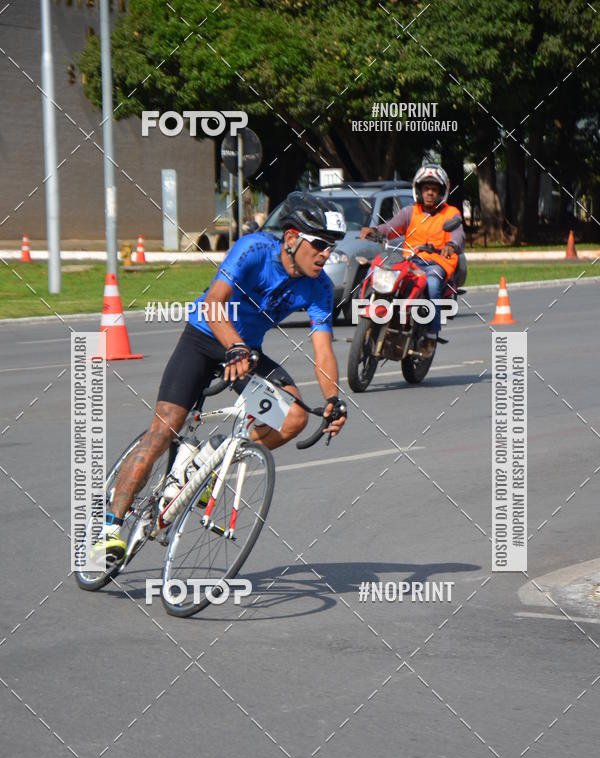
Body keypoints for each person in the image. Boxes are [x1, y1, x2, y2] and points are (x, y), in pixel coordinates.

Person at [93, 192, 348, 566]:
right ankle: (108, 532)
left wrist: (333, 399)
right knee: (164, 431)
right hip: (204, 338)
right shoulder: (253, 250)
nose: (327, 255)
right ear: (292, 238)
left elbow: (323, 351)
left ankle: (208, 460)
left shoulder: (319, 287)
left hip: (247, 353)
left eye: (333, 247)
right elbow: (214, 302)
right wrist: (235, 347)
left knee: (294, 416)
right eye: (321, 245)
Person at [360, 164, 465, 357]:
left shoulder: (451, 214)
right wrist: (376, 232)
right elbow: (392, 227)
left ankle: (431, 336)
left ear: (442, 191)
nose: (430, 193)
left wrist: (451, 246)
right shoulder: (410, 212)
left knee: (432, 285)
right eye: (426, 189)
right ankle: (368, 318)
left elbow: (458, 235)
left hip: (436, 264)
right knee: (376, 272)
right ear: (419, 190)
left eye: (434, 189)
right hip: (411, 262)